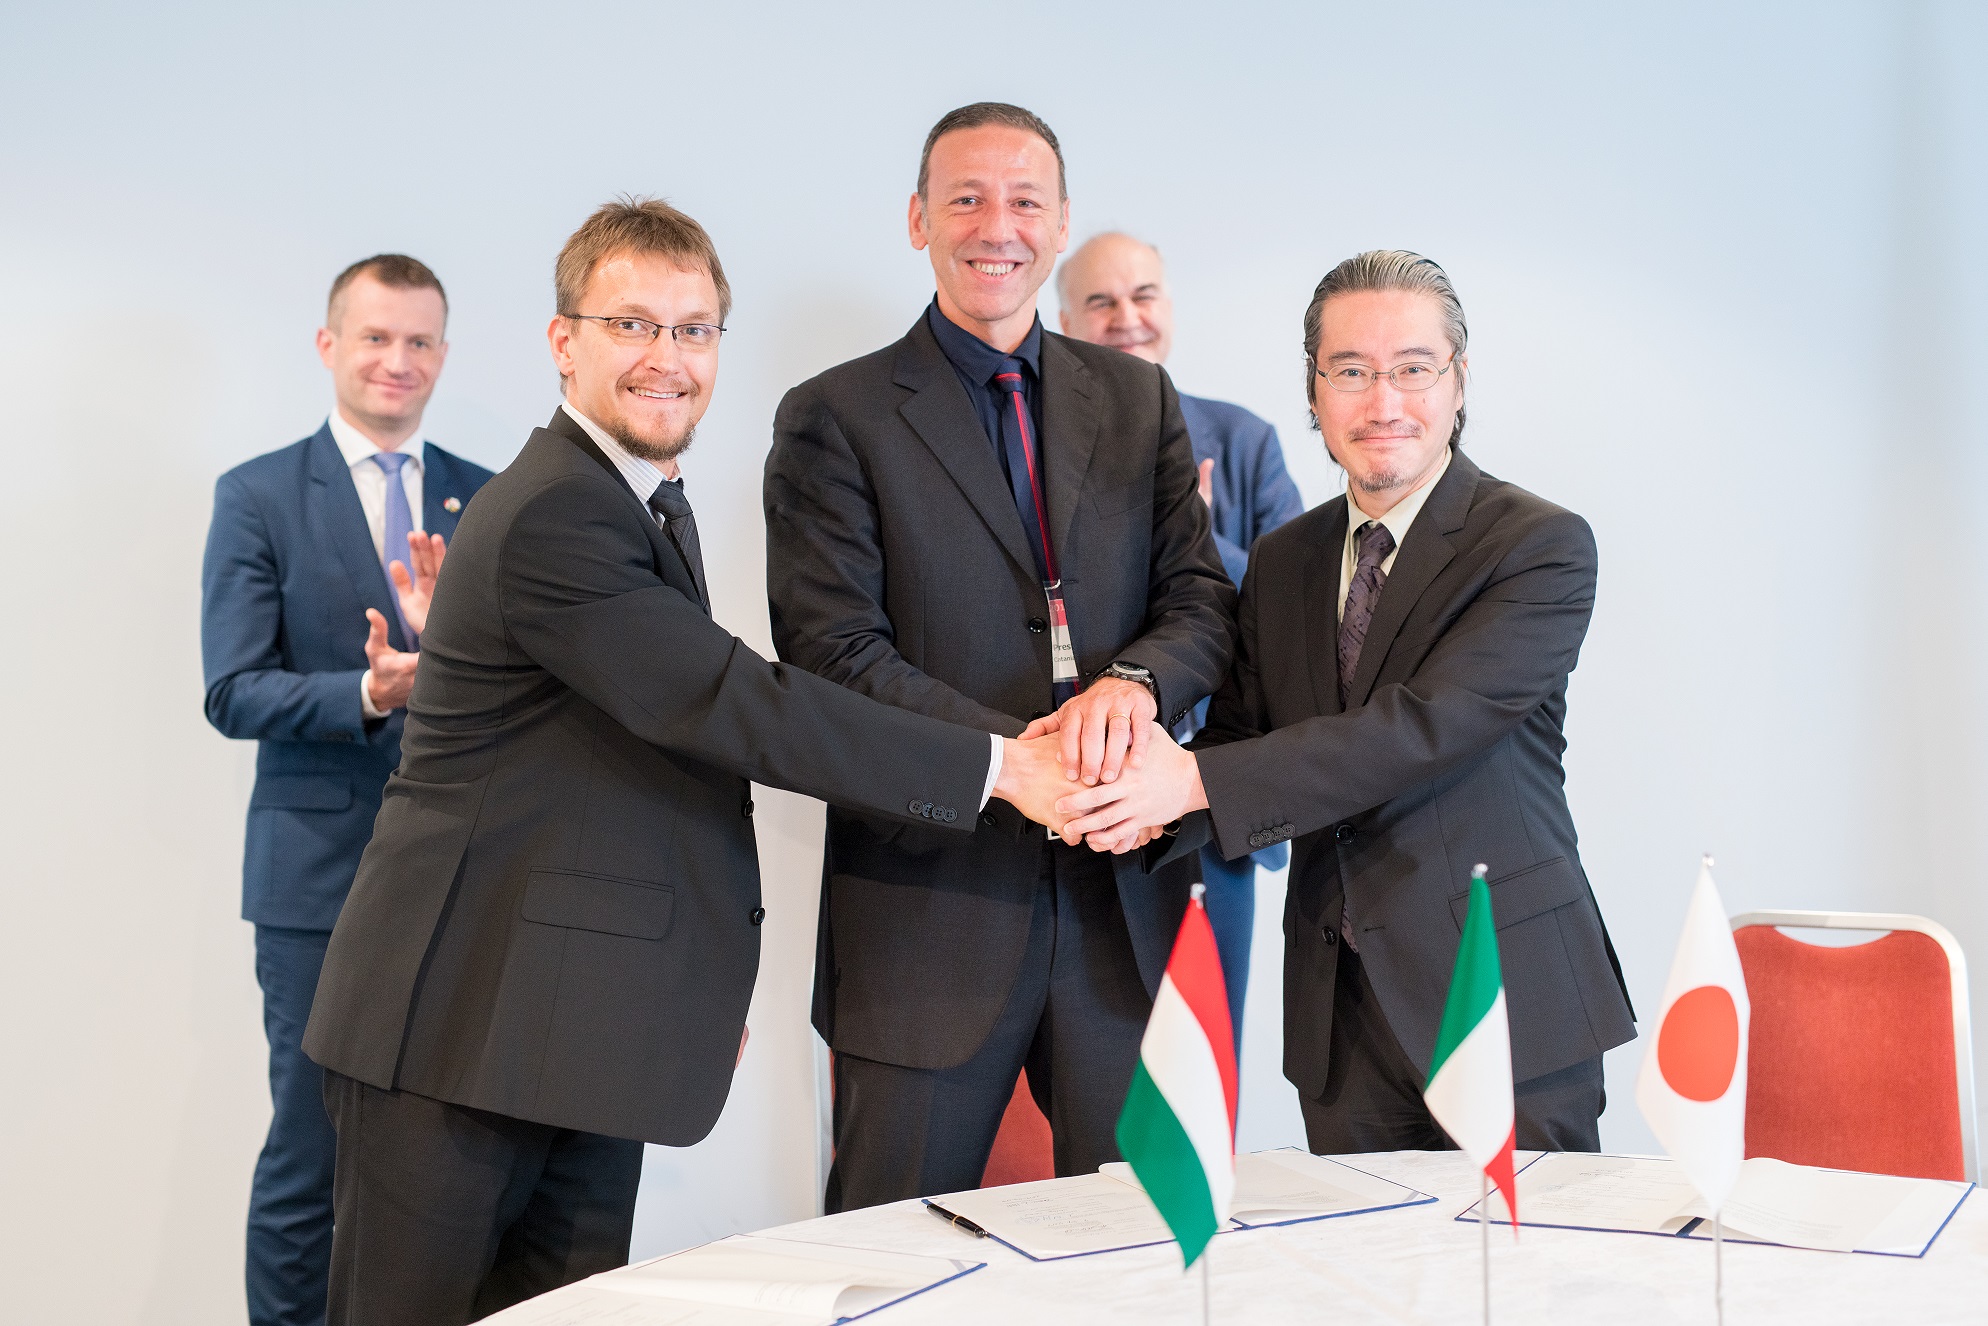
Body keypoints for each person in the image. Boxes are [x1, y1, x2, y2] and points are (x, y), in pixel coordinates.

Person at [299, 198, 1072, 1325]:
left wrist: (689, 975)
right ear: (564, 341)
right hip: (454, 1032)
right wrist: (1001, 767)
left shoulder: (640, 502)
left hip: (577, 1027)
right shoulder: (555, 514)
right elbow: (731, 704)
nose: (667, 359)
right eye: (631, 326)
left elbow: (649, 765)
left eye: (693, 330)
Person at [1055, 251, 1636, 1153]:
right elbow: (1242, 734)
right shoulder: (1285, 559)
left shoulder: (1538, 546)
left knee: (1522, 1289)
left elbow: (1419, 730)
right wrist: (1123, 804)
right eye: (1352, 373)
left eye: (1412, 369)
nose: (1384, 402)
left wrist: (1188, 786)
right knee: (1361, 1289)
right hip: (1343, 1021)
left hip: (1500, 1001)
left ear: (1458, 381)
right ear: (1315, 391)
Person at [763, 104, 1235, 1213]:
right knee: (885, 1257)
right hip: (929, 911)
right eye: (966, 198)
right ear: (918, 220)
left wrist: (1133, 685)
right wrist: (1018, 760)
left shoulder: (1136, 398)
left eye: (1025, 200)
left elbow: (1200, 601)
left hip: (1123, 908)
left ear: (1061, 222)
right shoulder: (833, 415)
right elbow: (832, 651)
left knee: (1139, 1249)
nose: (997, 226)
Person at [201, 254, 493, 1326]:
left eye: (419, 341)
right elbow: (231, 689)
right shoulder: (260, 495)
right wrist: (366, 694)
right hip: (317, 887)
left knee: (440, 1160)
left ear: (444, 357)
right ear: (330, 346)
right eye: (375, 337)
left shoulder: (490, 496)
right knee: (312, 1149)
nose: (397, 360)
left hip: (459, 882)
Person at [1055, 230, 1304, 1031]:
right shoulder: (1035, 449)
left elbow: (1295, 604)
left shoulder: (1242, 441)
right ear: (1062, 319)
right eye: (1100, 301)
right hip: (1068, 800)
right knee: (1092, 1074)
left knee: (1200, 1073)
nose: (1126, 318)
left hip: (1204, 815)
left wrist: (1194, 529)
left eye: (1143, 296)